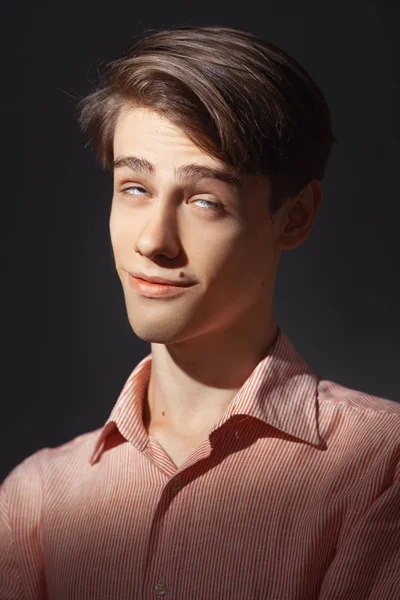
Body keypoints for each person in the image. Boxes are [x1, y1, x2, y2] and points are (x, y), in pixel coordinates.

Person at [1, 25, 399, 600]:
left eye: (205, 201)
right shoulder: (35, 501)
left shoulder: (380, 469)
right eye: (134, 187)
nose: (154, 242)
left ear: (295, 217)